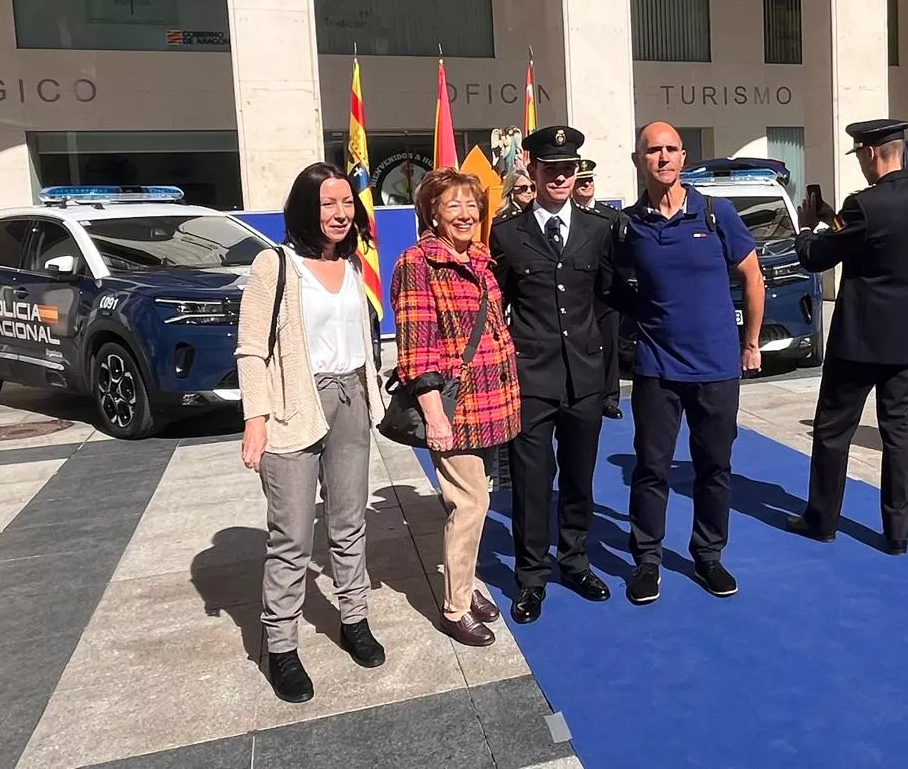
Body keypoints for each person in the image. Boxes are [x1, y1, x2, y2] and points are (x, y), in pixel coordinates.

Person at [235, 162, 388, 704]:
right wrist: (255, 418)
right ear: (306, 208)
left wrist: (374, 396)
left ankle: (355, 618)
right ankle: (280, 646)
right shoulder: (274, 266)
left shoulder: (351, 266)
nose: (340, 214)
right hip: (292, 409)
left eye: (347, 203)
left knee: (349, 523)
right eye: (328, 204)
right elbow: (251, 350)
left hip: (350, 402)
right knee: (293, 537)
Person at [618, 121, 764, 604]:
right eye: (652, 151)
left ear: (684, 157)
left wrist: (751, 343)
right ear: (639, 160)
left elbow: (753, 279)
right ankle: (646, 561)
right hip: (657, 368)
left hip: (717, 368)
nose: (662, 158)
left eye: (670, 150)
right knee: (652, 468)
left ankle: (708, 556)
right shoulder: (628, 226)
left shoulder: (718, 214)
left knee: (713, 468)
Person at [784, 119, 908, 554]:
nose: (860, 163)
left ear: (871, 153)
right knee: (898, 432)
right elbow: (871, 237)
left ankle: (822, 520)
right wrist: (837, 218)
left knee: (834, 431)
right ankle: (897, 532)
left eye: (859, 155)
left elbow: (818, 257)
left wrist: (805, 229)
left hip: (860, 338)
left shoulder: (865, 205)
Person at [488, 126, 620, 624]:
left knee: (580, 478)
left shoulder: (598, 229)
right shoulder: (507, 233)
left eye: (569, 169)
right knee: (531, 480)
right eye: (551, 169)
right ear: (533, 170)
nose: (561, 177)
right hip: (531, 380)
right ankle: (530, 576)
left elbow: (608, 303)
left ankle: (575, 560)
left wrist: (609, 374)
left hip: (584, 377)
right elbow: (494, 303)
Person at [389, 168, 522, 648]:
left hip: (490, 400)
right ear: (432, 213)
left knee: (474, 500)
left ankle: (465, 583)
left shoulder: (480, 259)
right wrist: (434, 416)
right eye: (453, 206)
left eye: (472, 205)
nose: (465, 215)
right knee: (471, 503)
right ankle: (455, 607)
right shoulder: (417, 263)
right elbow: (415, 348)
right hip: (454, 406)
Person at [572, 163, 628, 419]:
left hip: (606, 294)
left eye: (589, 181)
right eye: (581, 181)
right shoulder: (567, 216)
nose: (586, 185)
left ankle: (609, 398)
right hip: (578, 296)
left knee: (609, 346)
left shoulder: (610, 216)